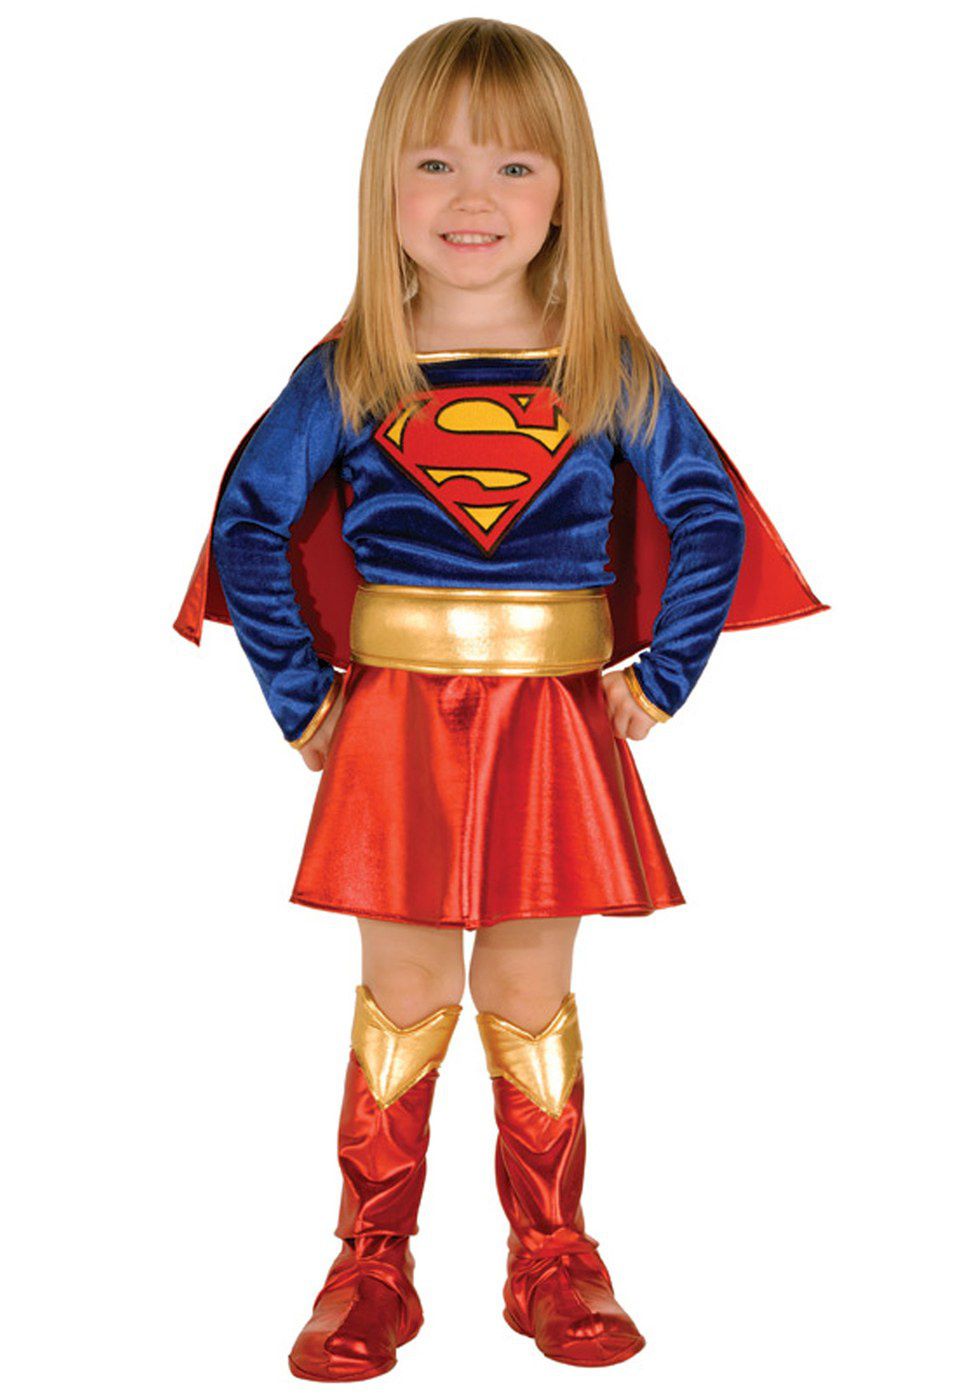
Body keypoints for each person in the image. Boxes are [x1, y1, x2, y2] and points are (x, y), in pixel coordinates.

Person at [174, 18, 826, 1382]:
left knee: (528, 988)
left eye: (515, 165)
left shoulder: (606, 366)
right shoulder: (357, 367)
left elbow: (707, 514)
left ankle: (552, 1255)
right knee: (405, 988)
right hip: (398, 724)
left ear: (568, 190)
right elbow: (248, 518)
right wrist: (301, 696)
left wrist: (664, 674)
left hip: (550, 725)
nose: (473, 197)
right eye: (437, 162)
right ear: (383, 185)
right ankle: (372, 1261)